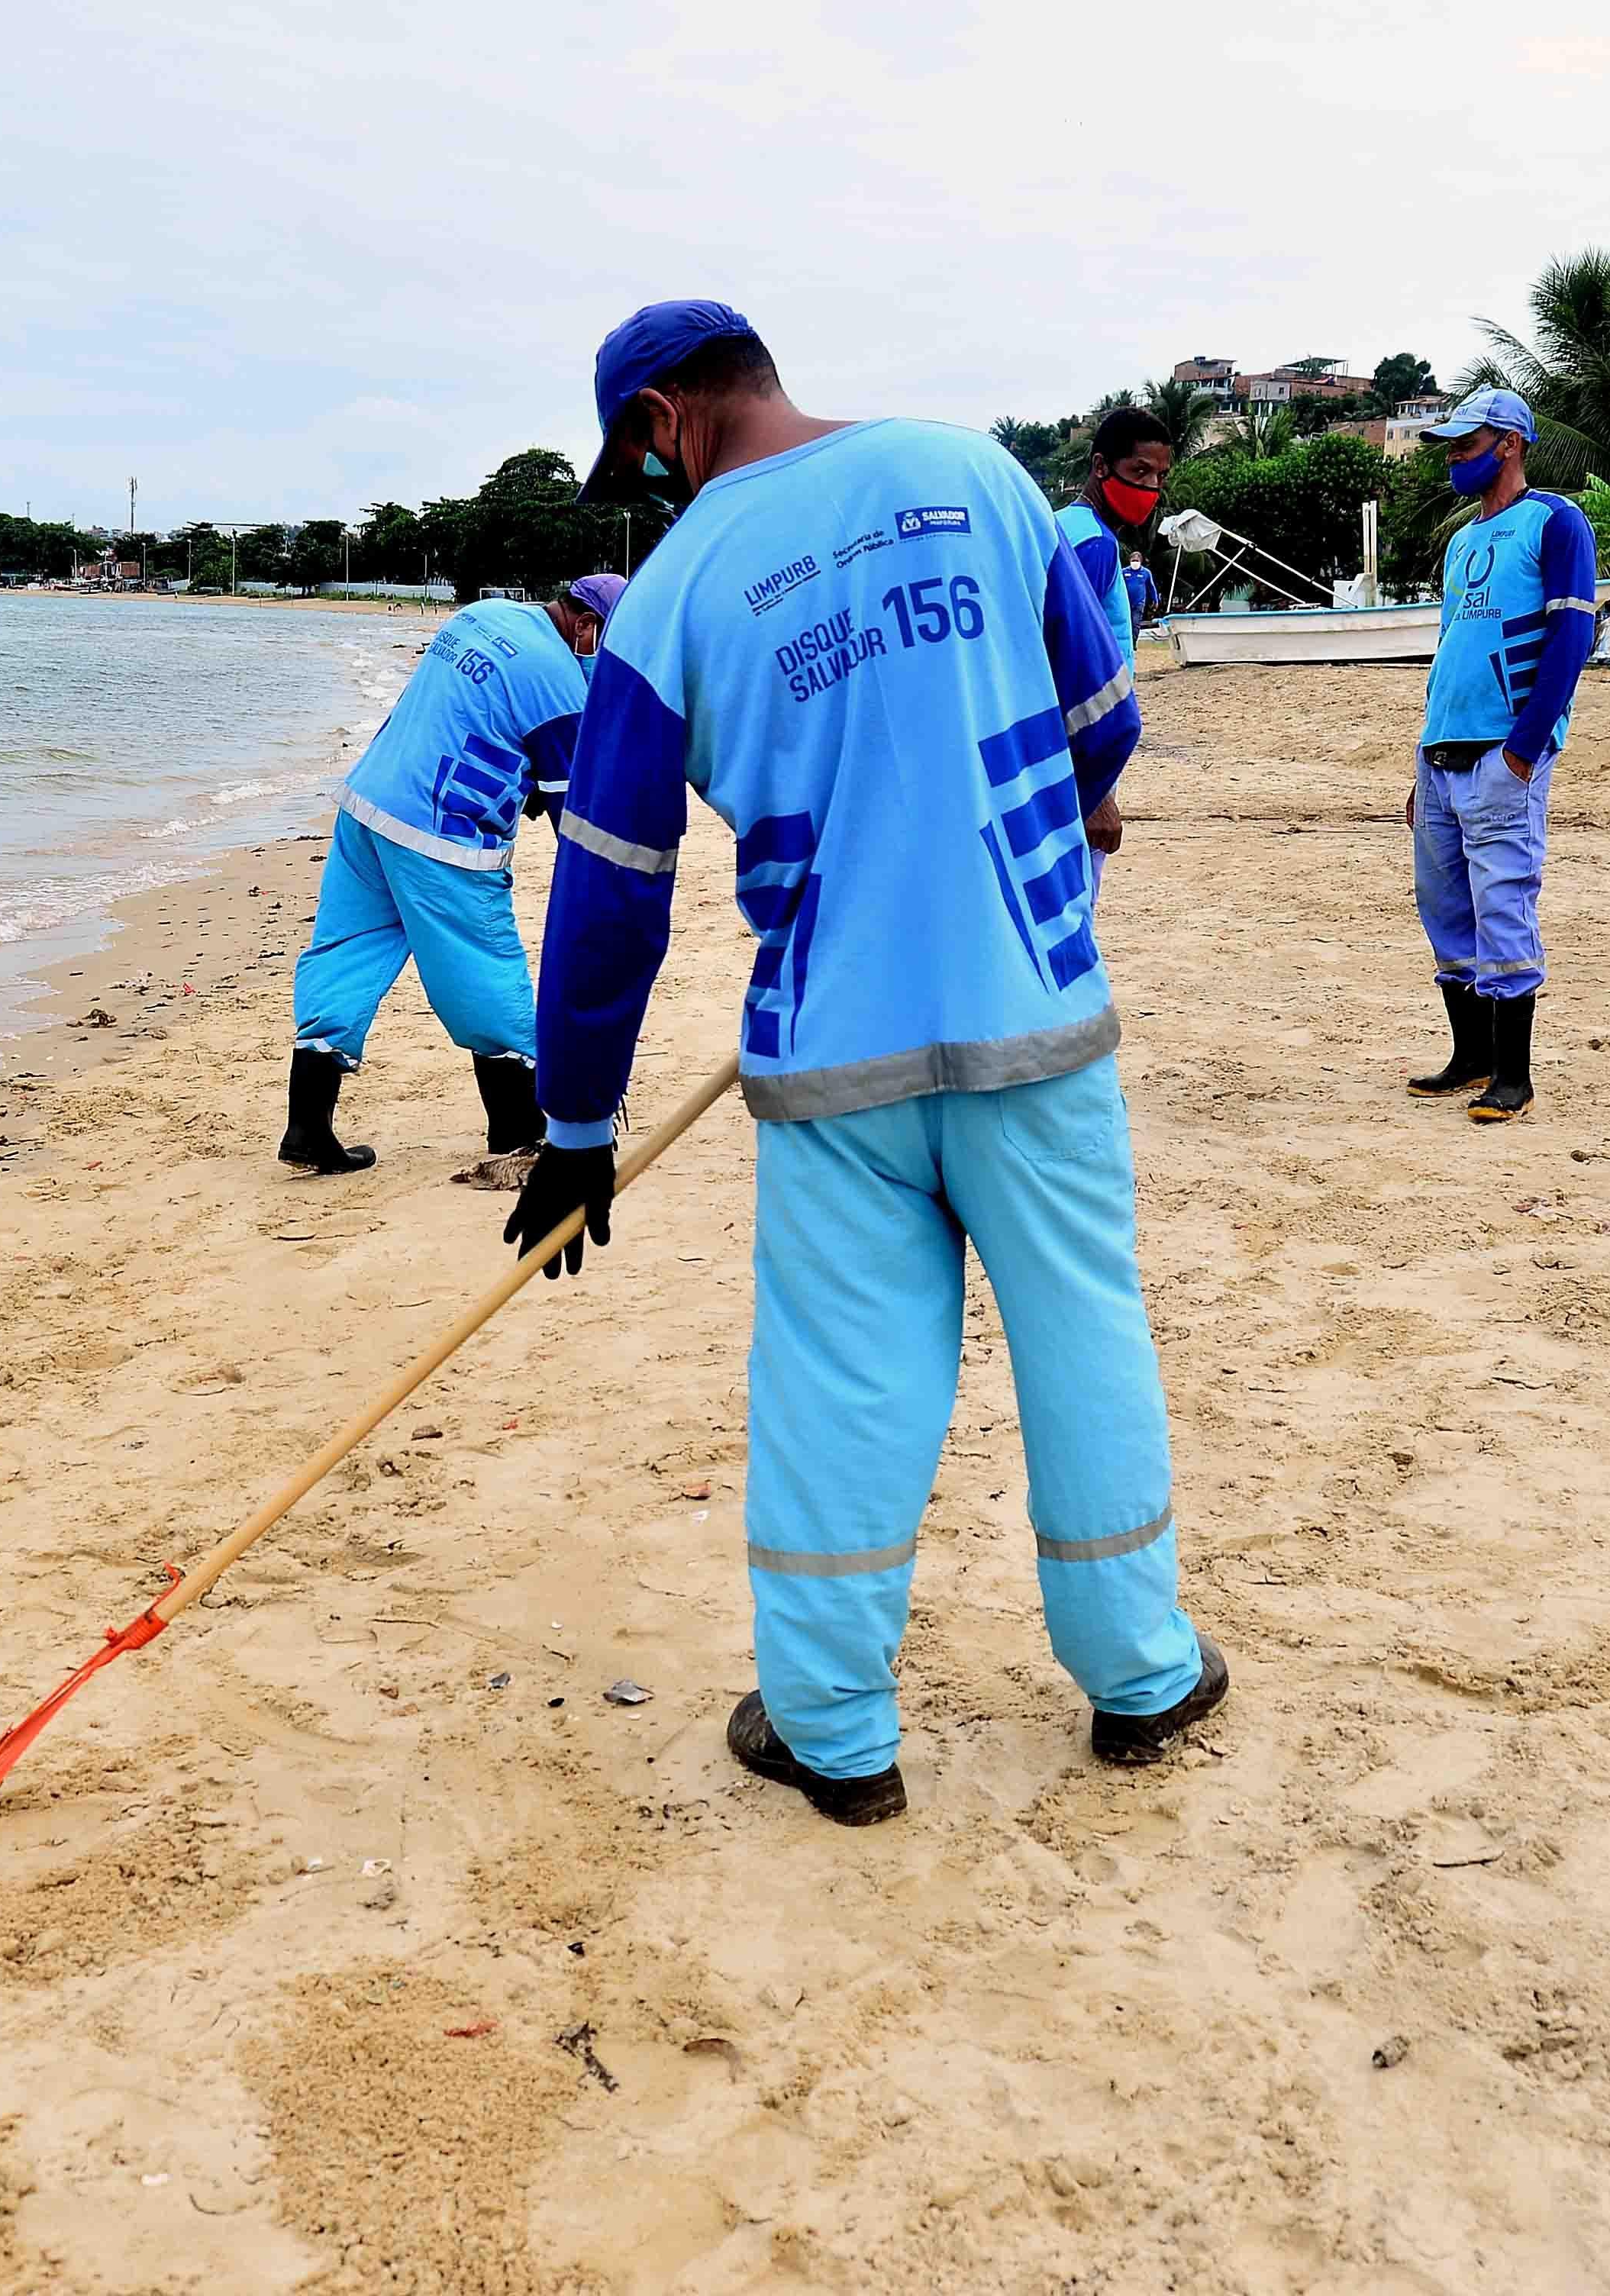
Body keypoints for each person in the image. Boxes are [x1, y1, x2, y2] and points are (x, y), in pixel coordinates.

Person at [507, 298, 1221, 1826]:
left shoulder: (669, 590)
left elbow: (609, 888)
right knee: (1083, 1333)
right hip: (1035, 1012)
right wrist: (1070, 813)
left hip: (833, 1058)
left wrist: (576, 1124)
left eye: (639, 455)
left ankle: (834, 1733)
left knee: (846, 1381)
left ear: (661, 420)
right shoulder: (980, 476)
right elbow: (1105, 721)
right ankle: (1144, 1675)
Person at [279, 574, 619, 1174]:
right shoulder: (561, 680)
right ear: (586, 625)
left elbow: (474, 718)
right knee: (483, 968)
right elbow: (574, 814)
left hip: (369, 804)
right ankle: (516, 1130)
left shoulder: (483, 616)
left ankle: (307, 1129)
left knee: (345, 954)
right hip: (443, 835)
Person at [1401, 387, 1598, 1122]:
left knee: (1503, 906)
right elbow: (1450, 650)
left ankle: (1513, 1077)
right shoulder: (1461, 542)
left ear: (1508, 444)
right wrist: (1419, 755)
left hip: (1501, 754)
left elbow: (1571, 639)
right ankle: (1471, 1055)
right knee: (1444, 909)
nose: (1453, 459)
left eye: (1464, 445)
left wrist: (1524, 750)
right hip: (1442, 753)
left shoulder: (1555, 522)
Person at [1059, 406, 1173, 673]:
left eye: (1161, 476)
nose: (1152, 486)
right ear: (1101, 466)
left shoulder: (1062, 522)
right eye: (1140, 471)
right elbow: (1073, 652)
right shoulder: (1097, 544)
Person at [1121, 550, 1158, 652]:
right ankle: (1126, 643)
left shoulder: (1146, 573)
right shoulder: (1123, 572)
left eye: (1137, 560)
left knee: (1135, 624)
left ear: (1141, 561)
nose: (1135, 562)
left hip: (1139, 603)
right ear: (1129, 561)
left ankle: (1133, 643)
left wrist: (1155, 600)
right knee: (1126, 624)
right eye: (1133, 560)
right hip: (1125, 602)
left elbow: (1151, 587)